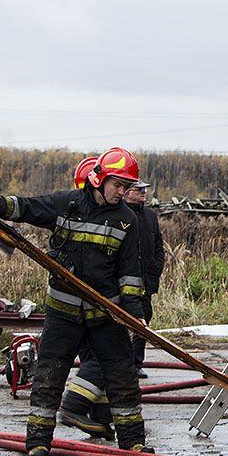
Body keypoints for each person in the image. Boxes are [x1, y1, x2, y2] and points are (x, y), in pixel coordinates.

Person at [0, 147, 152, 456]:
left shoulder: (127, 220)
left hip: (105, 313)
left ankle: (133, 443)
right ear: (99, 179)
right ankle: (38, 444)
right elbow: (29, 207)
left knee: (122, 375)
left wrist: (134, 315)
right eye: (118, 185)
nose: (123, 192)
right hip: (64, 313)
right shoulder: (67, 204)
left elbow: (130, 274)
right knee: (49, 376)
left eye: (127, 187)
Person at [59, 178, 163, 437]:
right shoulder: (109, 217)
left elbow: (153, 251)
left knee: (116, 357)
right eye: (134, 190)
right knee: (110, 355)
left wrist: (150, 279)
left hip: (135, 292)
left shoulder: (145, 218)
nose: (139, 194)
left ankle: (101, 417)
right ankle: (74, 404)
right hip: (109, 301)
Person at [125, 180, 163, 377]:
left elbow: (158, 245)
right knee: (121, 324)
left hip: (146, 281)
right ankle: (121, 364)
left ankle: (136, 363)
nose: (143, 193)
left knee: (144, 320)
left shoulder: (149, 216)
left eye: (144, 190)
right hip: (124, 283)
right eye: (138, 190)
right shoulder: (120, 214)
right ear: (127, 193)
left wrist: (155, 269)